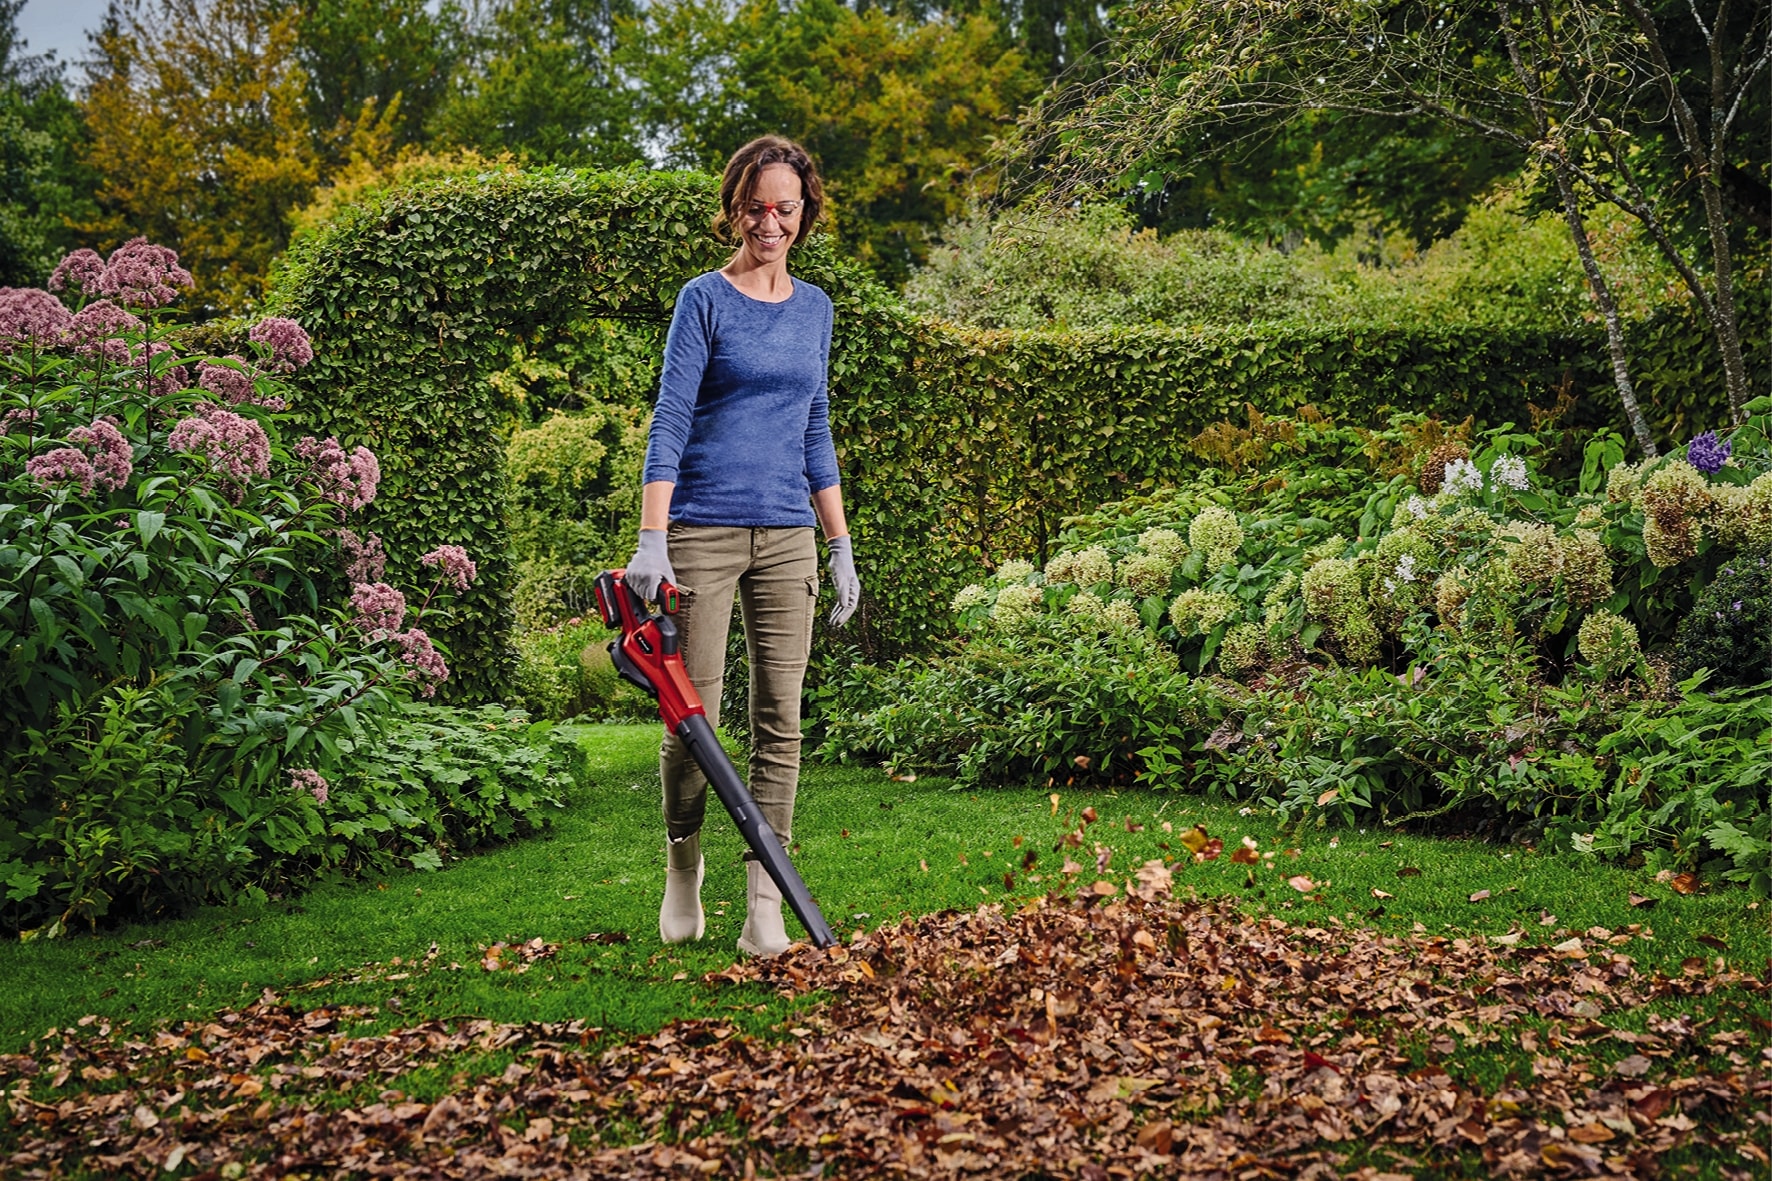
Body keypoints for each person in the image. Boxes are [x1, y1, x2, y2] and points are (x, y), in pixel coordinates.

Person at [624, 135, 861, 958]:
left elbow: (816, 426)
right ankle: (683, 862)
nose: (771, 222)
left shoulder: (817, 308)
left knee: (781, 719)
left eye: (785, 208)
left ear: (805, 212)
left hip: (789, 532)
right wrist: (653, 536)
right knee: (694, 719)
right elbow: (671, 417)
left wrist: (839, 543)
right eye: (757, 206)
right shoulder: (705, 299)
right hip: (703, 531)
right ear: (737, 207)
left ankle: (764, 899)